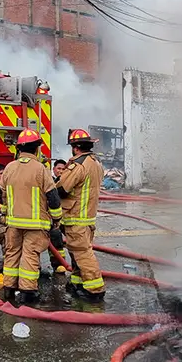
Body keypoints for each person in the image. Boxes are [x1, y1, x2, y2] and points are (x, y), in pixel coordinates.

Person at [0, 129, 62, 305]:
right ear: (37, 149)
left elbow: (2, 195)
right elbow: (53, 197)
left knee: (12, 253)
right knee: (30, 255)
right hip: (35, 224)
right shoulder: (41, 169)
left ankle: (9, 288)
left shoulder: (9, 168)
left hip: (13, 223)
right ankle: (28, 292)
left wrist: (6, 214)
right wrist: (56, 218)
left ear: (19, 149)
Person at [56, 128, 106, 301]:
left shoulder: (78, 165)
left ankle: (95, 290)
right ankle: (77, 283)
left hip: (76, 218)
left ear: (76, 147)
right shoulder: (95, 163)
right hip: (87, 217)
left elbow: (62, 189)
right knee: (77, 252)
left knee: (83, 253)